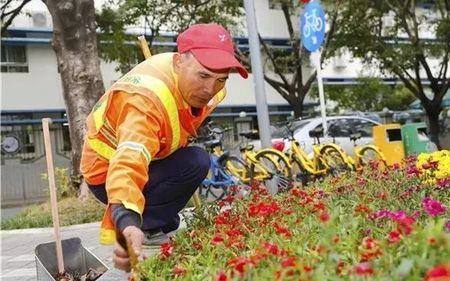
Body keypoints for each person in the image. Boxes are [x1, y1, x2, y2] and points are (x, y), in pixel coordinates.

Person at [80, 23, 248, 272]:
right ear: (179, 62)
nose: (210, 89)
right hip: (106, 174)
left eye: (220, 80)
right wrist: (127, 222)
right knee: (195, 162)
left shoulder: (206, 88)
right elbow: (129, 160)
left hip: (152, 160)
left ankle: (158, 224)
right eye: (203, 76)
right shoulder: (144, 101)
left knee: (194, 161)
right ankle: (145, 231)